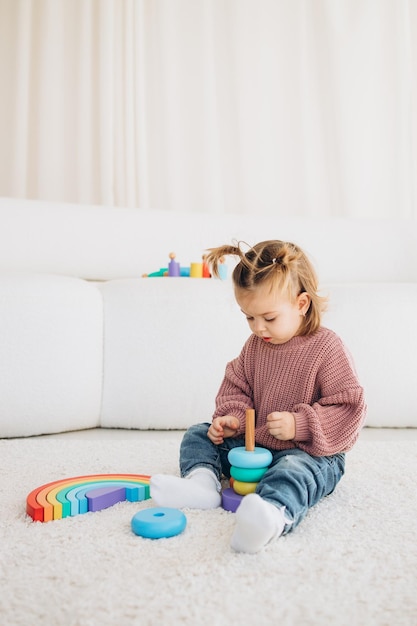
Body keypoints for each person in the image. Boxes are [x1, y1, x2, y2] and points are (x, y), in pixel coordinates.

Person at [151, 240, 366, 553]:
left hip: (309, 450)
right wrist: (232, 419)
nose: (258, 327)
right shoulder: (255, 346)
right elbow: (237, 386)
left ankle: (271, 515)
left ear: (301, 304)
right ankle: (202, 484)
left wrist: (299, 425)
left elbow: (348, 407)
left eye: (269, 317)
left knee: (295, 471)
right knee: (199, 434)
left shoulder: (327, 348)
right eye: (249, 317)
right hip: (256, 446)